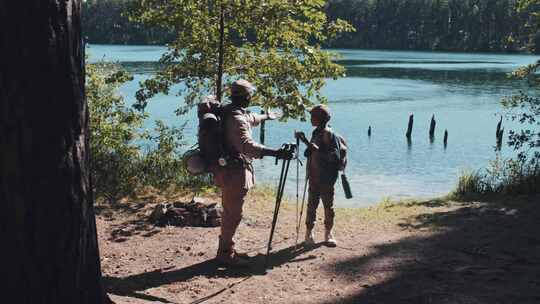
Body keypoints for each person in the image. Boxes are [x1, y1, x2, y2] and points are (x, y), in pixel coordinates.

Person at [214, 79, 293, 266]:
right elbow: (247, 146)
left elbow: (251, 118)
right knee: (233, 213)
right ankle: (225, 254)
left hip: (228, 169)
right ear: (247, 96)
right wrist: (276, 153)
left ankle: (226, 249)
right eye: (250, 95)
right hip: (234, 172)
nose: (251, 98)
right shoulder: (236, 118)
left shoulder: (230, 111)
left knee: (231, 211)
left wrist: (267, 116)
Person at [295, 104, 340, 247]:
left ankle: (328, 234)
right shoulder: (316, 133)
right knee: (311, 205)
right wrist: (304, 141)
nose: (310, 119)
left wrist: (312, 146)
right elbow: (310, 152)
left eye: (312, 116)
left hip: (327, 178)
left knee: (328, 206)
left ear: (320, 119)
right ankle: (309, 233)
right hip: (314, 176)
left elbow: (335, 156)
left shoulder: (329, 134)